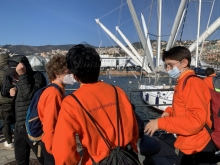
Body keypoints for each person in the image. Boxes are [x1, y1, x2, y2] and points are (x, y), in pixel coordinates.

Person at [52, 44, 139, 165]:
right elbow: (133, 126)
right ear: (98, 69)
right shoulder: (117, 91)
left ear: (74, 75)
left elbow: (64, 151)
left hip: (96, 160)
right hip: (127, 158)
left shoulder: (72, 102)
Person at [144, 46, 216, 165]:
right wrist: (169, 111)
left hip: (197, 146)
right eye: (166, 66)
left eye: (170, 65)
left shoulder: (192, 83)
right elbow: (182, 106)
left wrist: (160, 124)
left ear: (184, 62)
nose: (168, 69)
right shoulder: (183, 82)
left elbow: (195, 120)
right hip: (189, 143)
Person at [5, 55, 47, 165]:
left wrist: (22, 76)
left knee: (44, 159)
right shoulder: (19, 80)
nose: (14, 77)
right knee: (20, 160)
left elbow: (30, 96)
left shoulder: (37, 76)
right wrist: (12, 93)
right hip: (19, 126)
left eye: (15, 73)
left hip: (33, 127)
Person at [38, 55, 74, 165]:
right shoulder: (54, 93)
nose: (71, 75)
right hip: (53, 145)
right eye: (68, 72)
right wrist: (52, 149)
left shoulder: (55, 90)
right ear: (57, 73)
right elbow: (49, 124)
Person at [0, 53, 14, 149]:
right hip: (13, 99)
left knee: (5, 122)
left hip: (2, 100)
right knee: (14, 120)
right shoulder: (12, 70)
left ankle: (9, 142)